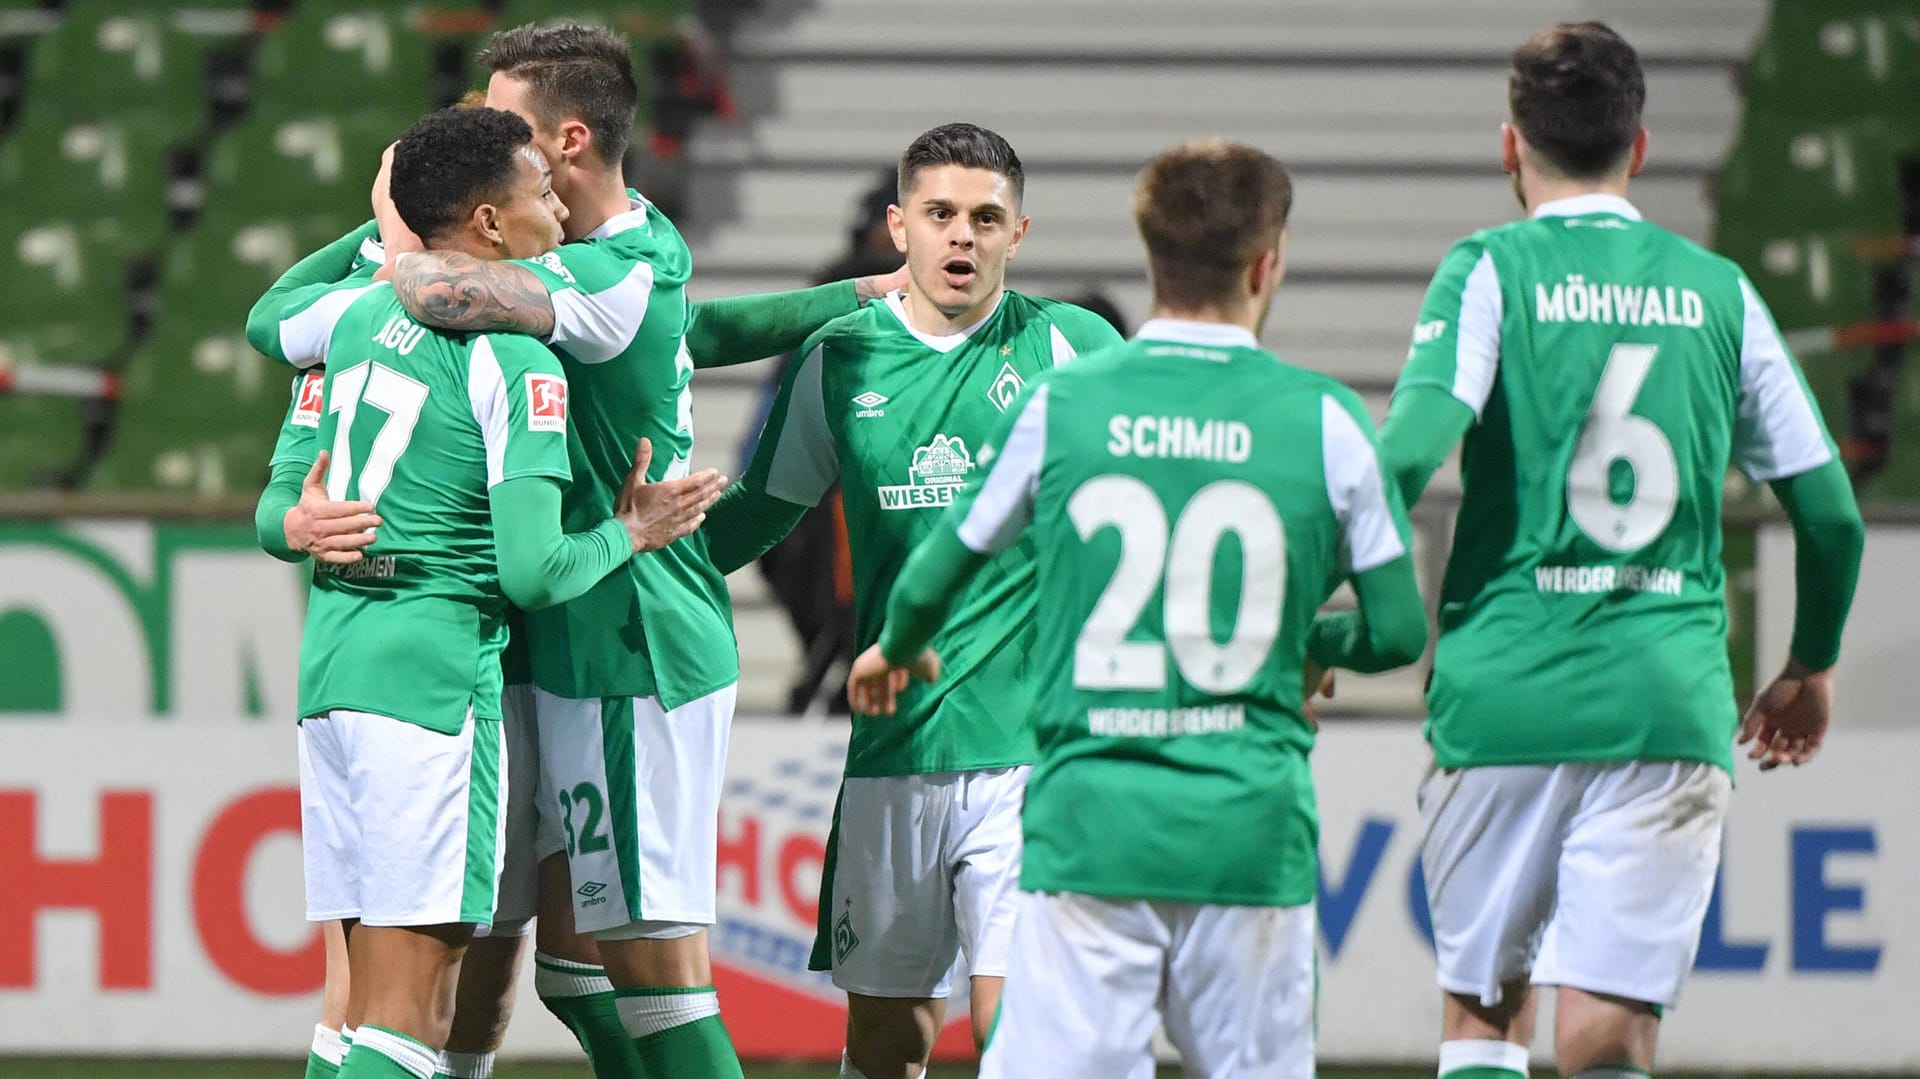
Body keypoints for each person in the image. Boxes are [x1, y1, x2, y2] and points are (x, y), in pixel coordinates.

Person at [360, 22, 906, 1078]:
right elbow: (688, 331)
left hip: (631, 640)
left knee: (659, 976)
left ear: (565, 141)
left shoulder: (607, 272)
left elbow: (436, 290)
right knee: (580, 971)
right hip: (577, 633)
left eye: (501, 116)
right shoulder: (616, 258)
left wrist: (393, 209)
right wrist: (848, 295)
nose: (479, 128)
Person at [844, 136, 1427, 1079]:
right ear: (1267, 263)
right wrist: (1305, 640)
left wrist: (898, 647)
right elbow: (1400, 630)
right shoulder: (1327, 419)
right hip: (1249, 828)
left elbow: (931, 573)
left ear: (1152, 255)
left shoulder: (1065, 401)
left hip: (1092, 822)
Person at [1366, 22, 1866, 1079]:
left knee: (1485, 1015)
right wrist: (1810, 661)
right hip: (1663, 695)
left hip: (1507, 689)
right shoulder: (1721, 292)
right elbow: (1830, 515)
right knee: (1608, 1033)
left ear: (1511, 146)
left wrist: (1325, 604)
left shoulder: (1490, 269)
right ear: (1637, 147)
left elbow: (1405, 457)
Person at [252, 105, 722, 1079]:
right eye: (537, 192)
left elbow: (277, 472)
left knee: (354, 1000)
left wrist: (295, 526)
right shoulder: (515, 356)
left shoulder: (351, 319)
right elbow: (533, 570)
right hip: (432, 683)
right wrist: (628, 530)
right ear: (491, 225)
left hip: (333, 672)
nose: (558, 205)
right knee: (413, 1007)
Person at [702, 122, 1127, 1078]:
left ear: (1020, 232)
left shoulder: (1076, 345)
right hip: (896, 751)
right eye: (940, 214)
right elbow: (753, 524)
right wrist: (633, 552)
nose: (962, 237)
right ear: (900, 226)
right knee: (889, 1042)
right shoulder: (839, 358)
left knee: (1023, 1028)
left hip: (1035, 751)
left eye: (986, 217)